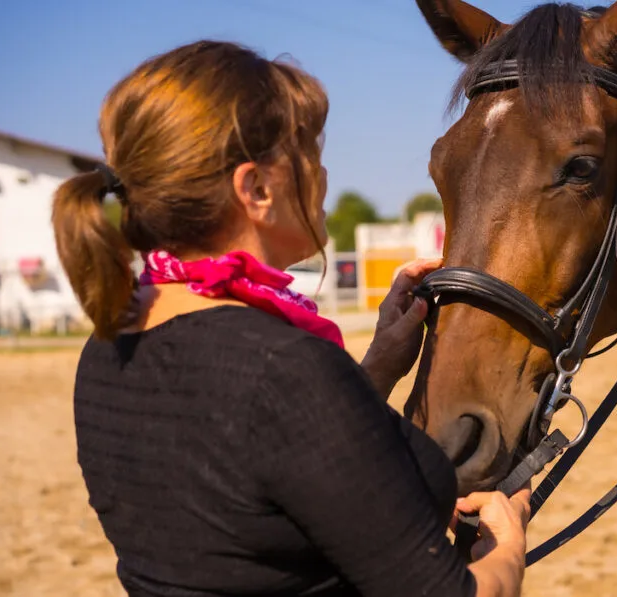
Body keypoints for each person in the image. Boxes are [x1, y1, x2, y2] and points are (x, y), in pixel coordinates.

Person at [52, 40, 530, 597]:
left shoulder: (111, 347)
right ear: (255, 189)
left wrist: (374, 367)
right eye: (308, 153)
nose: (324, 175)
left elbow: (259, 471)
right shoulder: (283, 368)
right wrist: (508, 548)